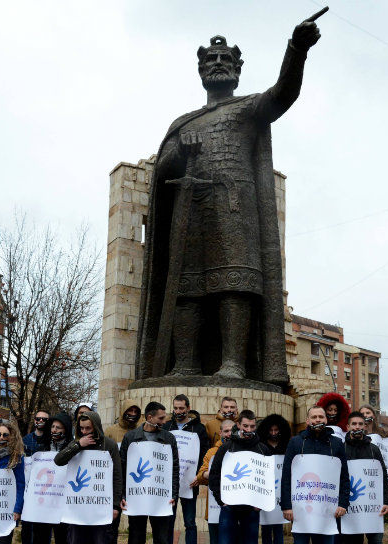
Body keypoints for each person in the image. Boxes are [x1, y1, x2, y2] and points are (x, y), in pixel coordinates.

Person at [135, 18, 322, 391]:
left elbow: (283, 93)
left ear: (237, 70)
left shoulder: (248, 107)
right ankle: (184, 364)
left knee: (233, 283)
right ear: (201, 71)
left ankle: (234, 364)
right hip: (191, 211)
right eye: (209, 61)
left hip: (235, 209)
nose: (217, 64)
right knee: (187, 287)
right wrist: (181, 153)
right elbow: (163, 168)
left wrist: (296, 50)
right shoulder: (184, 121)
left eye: (224, 60)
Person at [282, 406, 349, 544]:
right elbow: (286, 476)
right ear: (307, 420)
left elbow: (344, 477)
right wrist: (286, 506)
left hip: (328, 510)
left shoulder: (337, 444)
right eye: (314, 417)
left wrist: (343, 503)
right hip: (301, 510)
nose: (317, 420)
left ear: (326, 420)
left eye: (321, 417)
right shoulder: (296, 443)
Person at [54, 411, 121, 544]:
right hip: (78, 508)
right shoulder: (76, 442)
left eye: (88, 428)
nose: (84, 432)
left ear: (96, 427)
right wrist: (78, 445)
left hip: (100, 507)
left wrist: (115, 505)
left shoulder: (108, 445)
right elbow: (59, 460)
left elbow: (117, 475)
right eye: (82, 428)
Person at [120, 402, 179, 544]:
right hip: (136, 499)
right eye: (161, 418)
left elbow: (174, 469)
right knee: (136, 543)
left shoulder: (168, 438)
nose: (164, 421)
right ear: (149, 417)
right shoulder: (130, 438)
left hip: (161, 500)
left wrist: (174, 494)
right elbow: (122, 468)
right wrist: (123, 495)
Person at [209, 410, 269, 544]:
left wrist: (260, 504)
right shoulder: (227, 448)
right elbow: (215, 475)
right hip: (229, 508)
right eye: (245, 426)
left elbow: (268, 478)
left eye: (252, 426)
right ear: (238, 425)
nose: (249, 430)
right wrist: (221, 500)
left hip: (251, 510)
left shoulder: (263, 449)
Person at [162, 394, 210, 544]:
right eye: (175, 408)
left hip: (190, 483)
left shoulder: (199, 429)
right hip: (170, 484)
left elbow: (204, 454)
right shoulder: (167, 427)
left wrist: (198, 476)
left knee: (190, 522)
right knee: (169, 520)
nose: (178, 411)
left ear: (188, 408)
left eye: (182, 408)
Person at [340, 412, 388, 544]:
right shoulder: (341, 449)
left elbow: (383, 477)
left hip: (372, 509)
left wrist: (387, 501)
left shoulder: (374, 449)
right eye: (354, 424)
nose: (357, 427)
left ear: (365, 426)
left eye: (360, 424)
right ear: (348, 427)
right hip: (349, 509)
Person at [33, 413, 73, 544]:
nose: (54, 430)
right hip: (43, 502)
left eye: (59, 427)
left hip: (62, 504)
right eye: (53, 427)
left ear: (66, 429)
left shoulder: (72, 448)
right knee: (39, 543)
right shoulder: (42, 447)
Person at [198, 418, 235, 544]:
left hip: (236, 510)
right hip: (214, 510)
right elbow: (200, 476)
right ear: (220, 432)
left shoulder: (241, 451)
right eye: (226, 431)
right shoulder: (212, 452)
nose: (229, 434)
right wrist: (212, 472)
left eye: (232, 431)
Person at [257, 414, 291, 544]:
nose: (273, 433)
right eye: (271, 430)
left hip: (280, 493)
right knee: (266, 527)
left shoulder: (287, 446)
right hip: (266, 493)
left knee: (278, 527)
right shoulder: (260, 446)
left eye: (276, 429)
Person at [19, 411, 49, 544]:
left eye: (44, 419)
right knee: (27, 524)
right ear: (34, 420)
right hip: (28, 487)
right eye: (38, 418)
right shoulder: (25, 440)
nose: (41, 421)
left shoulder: (51, 440)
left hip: (46, 488)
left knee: (44, 526)